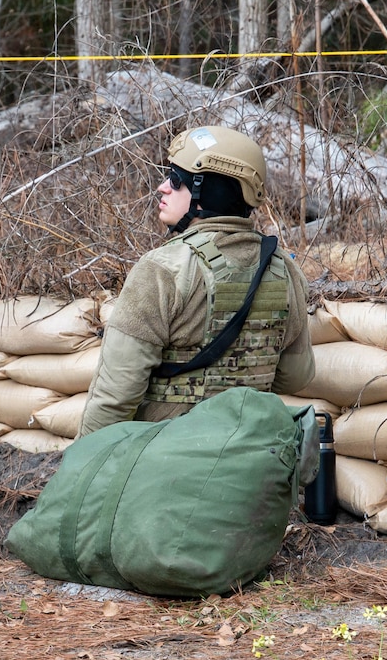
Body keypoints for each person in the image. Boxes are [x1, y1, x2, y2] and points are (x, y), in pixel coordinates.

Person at [78, 125, 314, 435]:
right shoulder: (284, 269)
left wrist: (82, 468)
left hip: (169, 464)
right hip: (253, 460)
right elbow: (296, 376)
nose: (162, 187)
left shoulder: (160, 270)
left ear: (207, 191)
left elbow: (115, 397)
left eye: (176, 180)